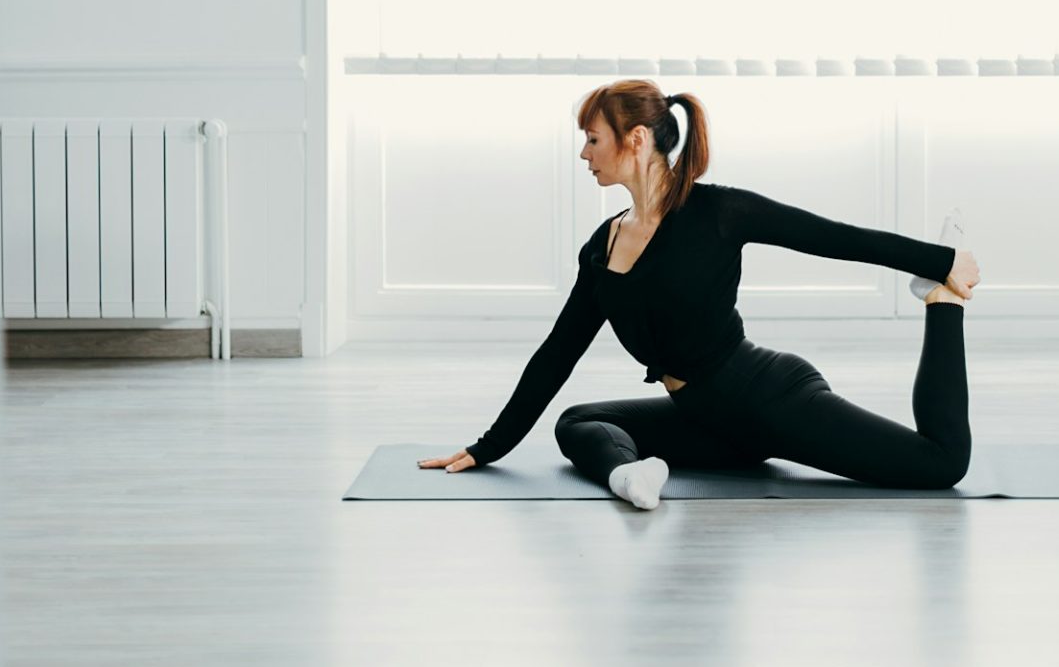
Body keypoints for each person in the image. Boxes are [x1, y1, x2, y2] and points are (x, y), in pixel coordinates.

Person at [418, 80, 982, 508]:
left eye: (593, 140)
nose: (584, 154)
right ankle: (630, 478)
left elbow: (829, 237)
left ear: (634, 140)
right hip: (707, 421)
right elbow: (557, 352)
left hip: (769, 399)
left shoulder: (718, 213)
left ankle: (940, 301)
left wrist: (941, 263)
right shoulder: (603, 245)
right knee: (577, 422)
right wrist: (488, 447)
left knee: (940, 464)